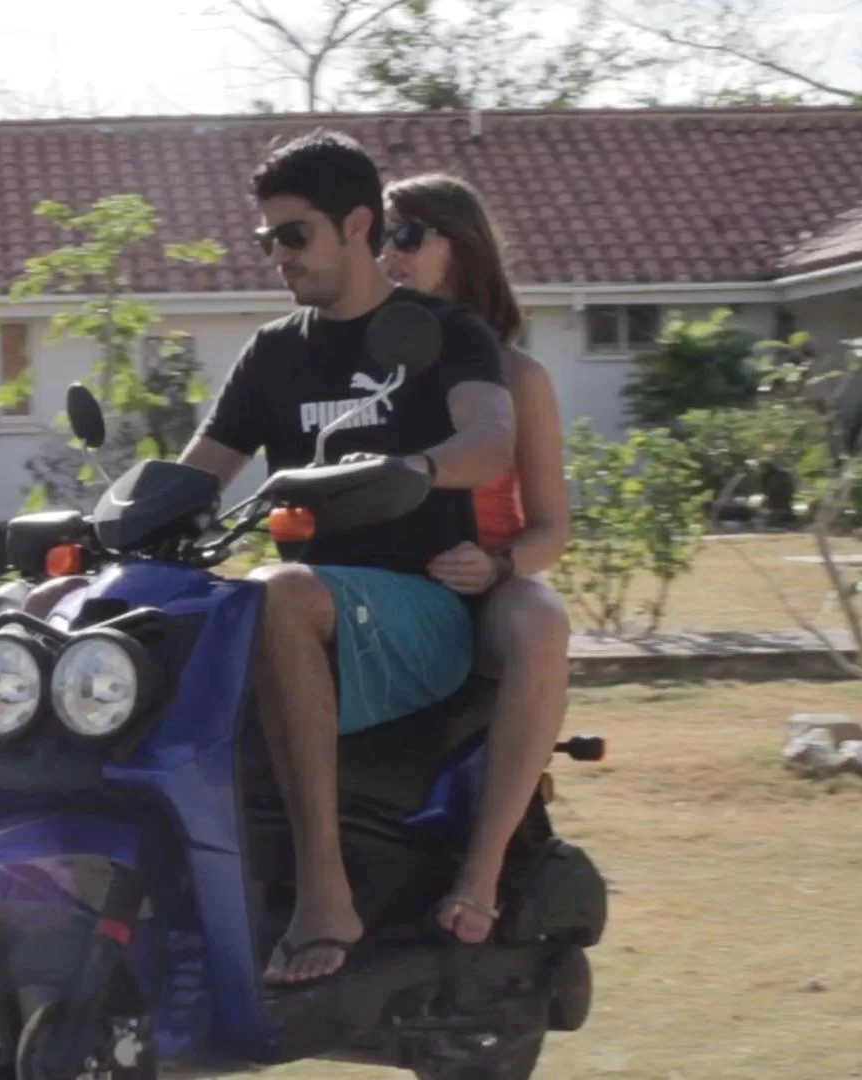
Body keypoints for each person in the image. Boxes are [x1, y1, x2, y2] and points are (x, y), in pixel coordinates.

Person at [178, 130, 516, 985]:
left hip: (423, 609)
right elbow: (196, 475)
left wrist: (412, 467)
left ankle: (324, 894)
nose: (276, 256)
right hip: (316, 608)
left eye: (293, 236)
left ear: (357, 224)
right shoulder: (272, 351)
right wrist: (96, 527)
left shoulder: (443, 333)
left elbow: (489, 436)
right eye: (267, 240)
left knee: (277, 592)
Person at [380, 173, 572, 946]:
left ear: (455, 247)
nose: (385, 256)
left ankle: (480, 873)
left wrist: (496, 566)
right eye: (377, 239)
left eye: (402, 237)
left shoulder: (517, 377)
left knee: (540, 621)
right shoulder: (366, 368)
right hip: (375, 591)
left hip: (482, 595)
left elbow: (553, 529)